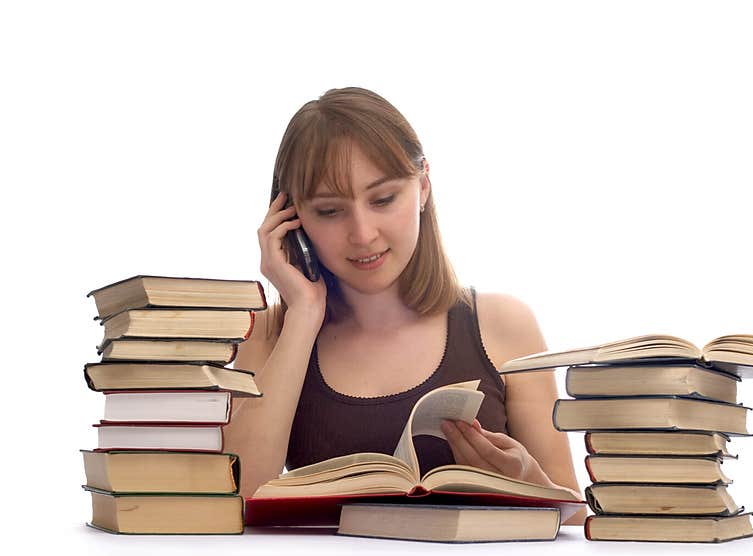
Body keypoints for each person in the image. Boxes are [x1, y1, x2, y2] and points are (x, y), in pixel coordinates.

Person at [224, 87, 586, 525]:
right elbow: (235, 496)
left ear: (422, 186)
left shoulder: (503, 324)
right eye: (329, 211)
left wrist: (525, 479)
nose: (363, 234)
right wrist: (303, 313)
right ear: (292, 219)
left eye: (382, 200)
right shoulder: (270, 333)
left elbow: (569, 511)